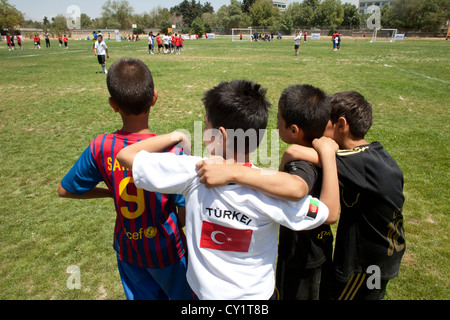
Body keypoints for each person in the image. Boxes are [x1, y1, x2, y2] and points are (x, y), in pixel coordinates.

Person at [116, 80, 340, 300]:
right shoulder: (273, 189)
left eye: (206, 124)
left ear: (220, 135)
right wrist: (329, 157)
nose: (203, 129)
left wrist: (177, 136)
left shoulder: (193, 171)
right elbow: (330, 213)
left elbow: (125, 156)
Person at [57, 57, 194, 300]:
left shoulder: (101, 146)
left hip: (129, 249)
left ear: (113, 104)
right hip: (168, 251)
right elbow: (183, 215)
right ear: (154, 98)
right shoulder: (171, 152)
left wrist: (111, 190)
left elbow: (66, 190)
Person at [195, 84, 337, 300]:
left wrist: (234, 173)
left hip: (305, 254)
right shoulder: (303, 156)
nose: (276, 123)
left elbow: (301, 192)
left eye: (279, 119)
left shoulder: (302, 164)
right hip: (299, 246)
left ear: (294, 130)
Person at [281, 91, 406, 300]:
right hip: (385, 255)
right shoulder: (375, 154)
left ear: (341, 124)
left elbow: (296, 152)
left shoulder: (355, 163)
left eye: (324, 122)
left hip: (365, 265)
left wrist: (325, 150)